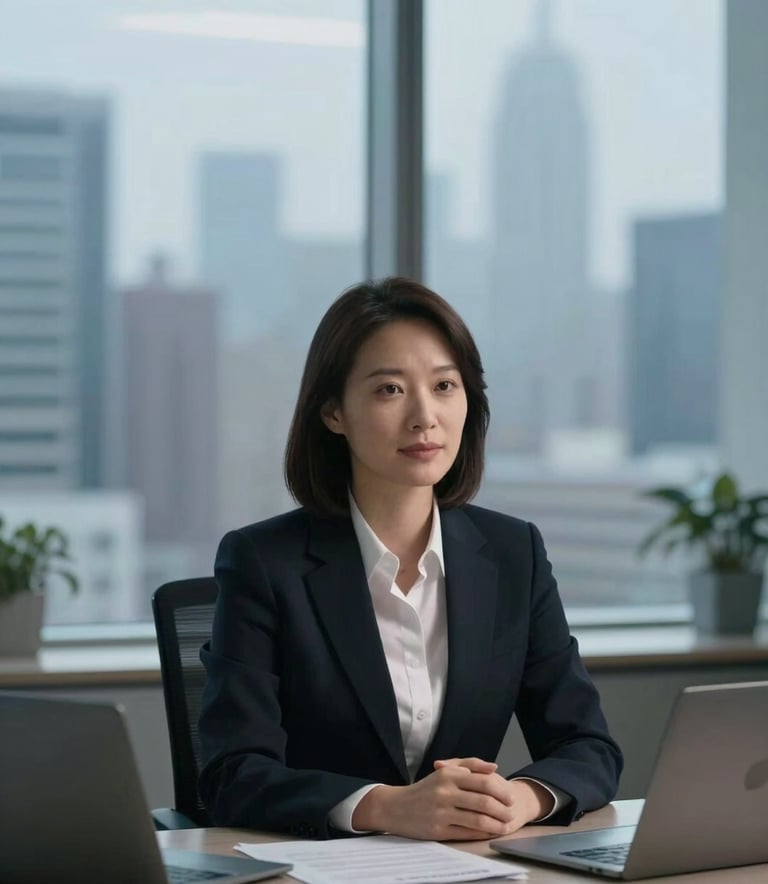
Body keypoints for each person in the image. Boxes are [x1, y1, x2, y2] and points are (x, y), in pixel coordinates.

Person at [198, 277, 622, 841]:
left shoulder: (513, 553)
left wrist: (520, 799)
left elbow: (589, 747)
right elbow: (232, 775)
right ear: (333, 412)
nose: (425, 416)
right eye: (389, 390)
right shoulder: (262, 563)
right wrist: (386, 807)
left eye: (444, 385)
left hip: (471, 866)